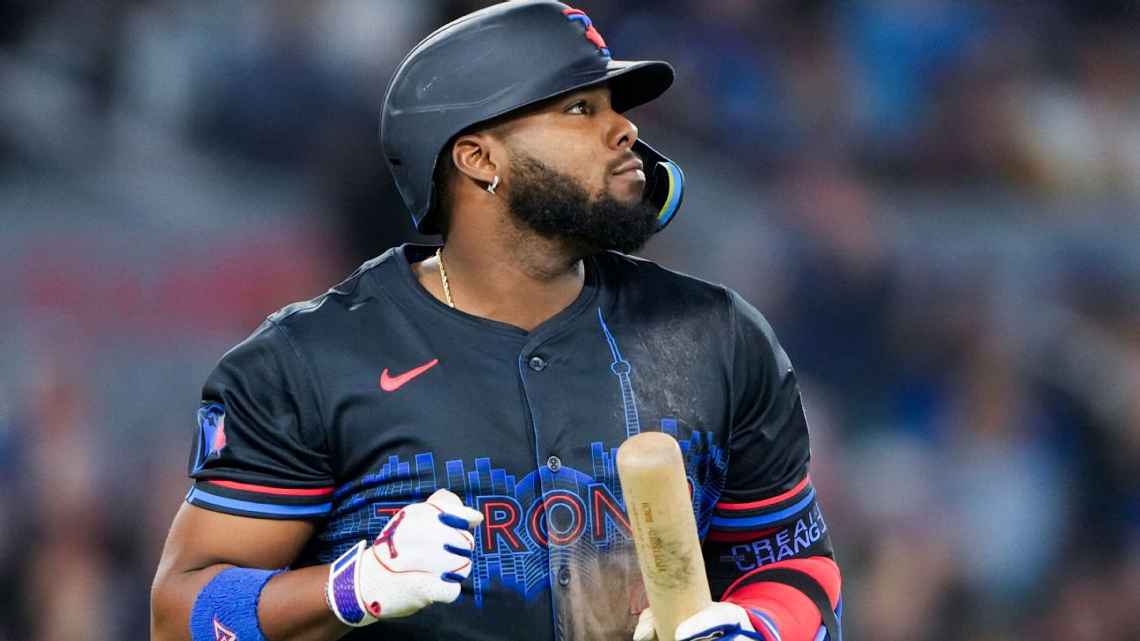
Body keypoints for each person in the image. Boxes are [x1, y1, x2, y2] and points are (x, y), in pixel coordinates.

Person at [150, 2, 843, 641]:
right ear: (479, 158)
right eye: (580, 108)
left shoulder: (714, 334)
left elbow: (796, 566)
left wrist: (757, 626)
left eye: (615, 106)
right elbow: (180, 615)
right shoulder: (306, 362)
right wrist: (349, 587)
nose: (625, 129)